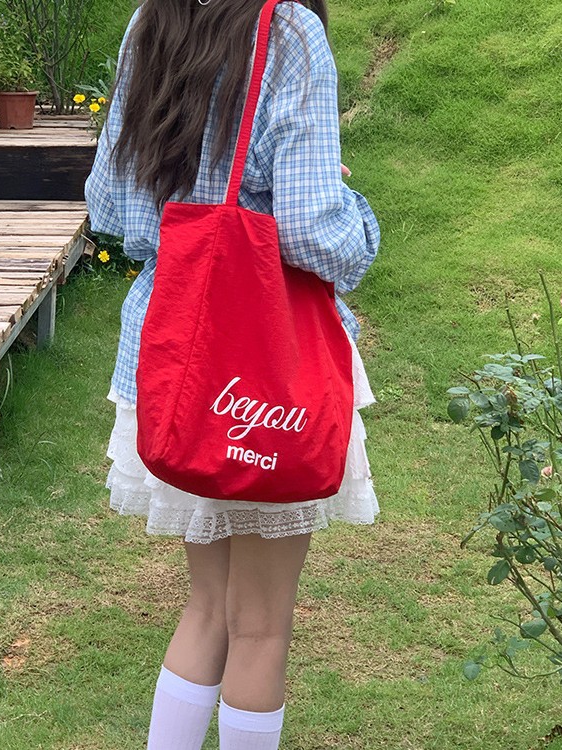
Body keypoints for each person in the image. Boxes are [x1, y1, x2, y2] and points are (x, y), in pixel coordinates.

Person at [85, 0, 381, 747]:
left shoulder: (154, 18)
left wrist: (201, 210)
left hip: (173, 355)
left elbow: (113, 206)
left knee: (207, 610)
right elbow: (315, 231)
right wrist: (353, 208)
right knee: (260, 627)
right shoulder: (288, 32)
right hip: (264, 367)